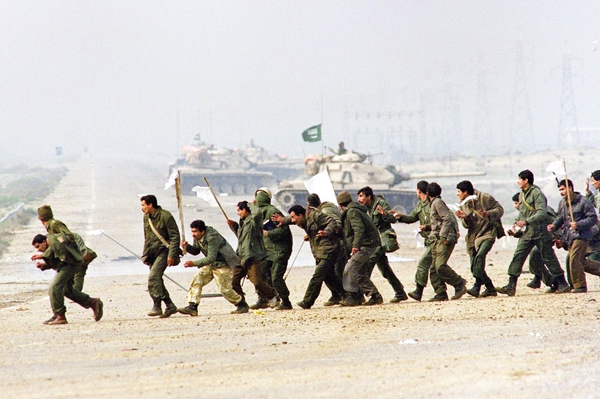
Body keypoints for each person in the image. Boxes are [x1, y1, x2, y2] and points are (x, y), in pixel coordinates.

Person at [497, 170, 570, 296]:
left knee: (549, 258)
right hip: (527, 233)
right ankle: (511, 285)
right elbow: (522, 213)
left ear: (526, 180)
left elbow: (541, 213)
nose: (518, 181)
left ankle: (562, 283)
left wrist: (526, 221)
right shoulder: (522, 195)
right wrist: (515, 226)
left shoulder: (537, 193)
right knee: (518, 256)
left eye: (520, 179)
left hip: (541, 233)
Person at [273, 203, 345, 309]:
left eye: (293, 217)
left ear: (300, 215)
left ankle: (307, 301)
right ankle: (347, 295)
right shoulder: (302, 218)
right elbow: (290, 219)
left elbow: (332, 222)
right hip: (320, 250)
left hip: (330, 248)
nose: (292, 220)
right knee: (329, 276)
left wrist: (326, 232)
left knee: (317, 276)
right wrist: (282, 220)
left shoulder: (315, 216)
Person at [31, 232, 103, 325]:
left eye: (38, 246)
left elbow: (59, 249)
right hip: (66, 265)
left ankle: (60, 316)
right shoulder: (51, 246)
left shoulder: (55, 240)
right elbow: (57, 259)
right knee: (66, 290)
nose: (38, 250)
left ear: (44, 242)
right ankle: (92, 302)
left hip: (71, 265)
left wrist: (42, 256)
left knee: (55, 287)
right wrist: (44, 266)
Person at [177, 220, 243, 316]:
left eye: (195, 231)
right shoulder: (198, 237)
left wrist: (194, 263)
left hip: (222, 263)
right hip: (211, 264)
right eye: (192, 231)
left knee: (225, 289)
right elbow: (196, 251)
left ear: (202, 231)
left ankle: (241, 304)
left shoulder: (212, 237)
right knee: (197, 280)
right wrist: (187, 247)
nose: (193, 234)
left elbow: (211, 257)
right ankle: (193, 306)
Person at [548, 179, 600, 293]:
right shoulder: (562, 203)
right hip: (570, 236)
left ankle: (580, 285)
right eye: (560, 190)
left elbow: (592, 218)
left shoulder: (583, 201)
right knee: (582, 262)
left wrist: (579, 224)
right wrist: (554, 226)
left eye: (563, 189)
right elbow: (560, 218)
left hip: (582, 235)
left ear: (570, 188)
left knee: (574, 259)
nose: (561, 192)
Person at [357, 186, 408, 303]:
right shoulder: (365, 208)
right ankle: (400, 292)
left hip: (382, 239)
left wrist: (384, 214)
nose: (359, 199)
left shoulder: (381, 203)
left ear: (368, 197)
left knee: (368, 263)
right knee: (385, 269)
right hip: (374, 241)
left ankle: (367, 295)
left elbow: (393, 219)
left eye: (361, 196)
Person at [227, 201, 278, 314]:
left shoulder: (254, 220)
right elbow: (242, 238)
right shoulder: (243, 223)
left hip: (252, 256)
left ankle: (273, 295)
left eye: (239, 210)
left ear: (245, 210)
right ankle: (242, 304)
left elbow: (257, 212)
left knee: (257, 282)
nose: (238, 213)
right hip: (241, 256)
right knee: (233, 281)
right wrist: (234, 226)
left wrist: (250, 203)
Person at [454, 180, 504, 298]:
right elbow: (467, 225)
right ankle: (480, 286)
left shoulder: (484, 197)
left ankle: (487, 287)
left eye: (459, 191)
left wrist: (488, 213)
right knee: (474, 264)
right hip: (473, 236)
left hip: (488, 233)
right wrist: (464, 218)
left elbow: (500, 210)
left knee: (479, 259)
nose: (457, 194)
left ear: (465, 192)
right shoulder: (463, 204)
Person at [420, 183, 467, 301]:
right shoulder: (435, 203)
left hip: (444, 239)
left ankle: (459, 283)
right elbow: (439, 222)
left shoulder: (437, 203)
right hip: (438, 238)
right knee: (434, 268)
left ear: (427, 193)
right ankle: (440, 292)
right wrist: (427, 227)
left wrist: (443, 236)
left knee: (440, 266)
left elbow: (448, 218)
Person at [250, 187, 293, 310]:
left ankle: (285, 301)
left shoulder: (273, 211)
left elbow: (283, 229)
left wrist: (269, 234)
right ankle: (263, 298)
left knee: (276, 277)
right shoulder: (257, 211)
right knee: (258, 274)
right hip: (267, 251)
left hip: (280, 250)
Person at [336, 191, 382, 306]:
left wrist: (356, 245)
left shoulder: (351, 212)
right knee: (360, 273)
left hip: (366, 244)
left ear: (341, 205)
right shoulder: (356, 210)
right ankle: (375, 296)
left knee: (350, 268)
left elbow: (359, 229)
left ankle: (354, 295)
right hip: (369, 243)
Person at [391, 181, 433, 301]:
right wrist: (400, 216)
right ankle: (443, 291)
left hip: (436, 238)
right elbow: (412, 217)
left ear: (419, 190)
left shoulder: (433, 203)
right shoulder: (421, 204)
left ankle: (418, 291)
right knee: (436, 268)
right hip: (429, 240)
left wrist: (427, 227)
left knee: (423, 264)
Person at [140, 195, 181, 318]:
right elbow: (147, 237)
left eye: (143, 205)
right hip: (152, 253)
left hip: (164, 251)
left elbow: (175, 237)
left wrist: (172, 254)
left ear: (150, 205)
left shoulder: (165, 216)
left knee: (153, 278)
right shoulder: (146, 218)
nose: (142, 208)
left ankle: (157, 305)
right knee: (157, 279)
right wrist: (145, 255)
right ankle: (170, 305)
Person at [509, 193, 554, 290]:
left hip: (544, 238)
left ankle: (553, 281)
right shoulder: (525, 212)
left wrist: (557, 237)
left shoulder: (543, 210)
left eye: (517, 203)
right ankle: (549, 281)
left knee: (539, 257)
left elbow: (554, 223)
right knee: (534, 259)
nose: (516, 206)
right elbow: (525, 228)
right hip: (533, 238)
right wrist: (515, 232)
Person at [306, 193, 347, 283]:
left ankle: (347, 294)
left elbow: (336, 223)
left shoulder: (324, 211)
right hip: (338, 243)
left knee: (336, 272)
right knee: (333, 273)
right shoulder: (328, 208)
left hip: (336, 244)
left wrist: (327, 232)